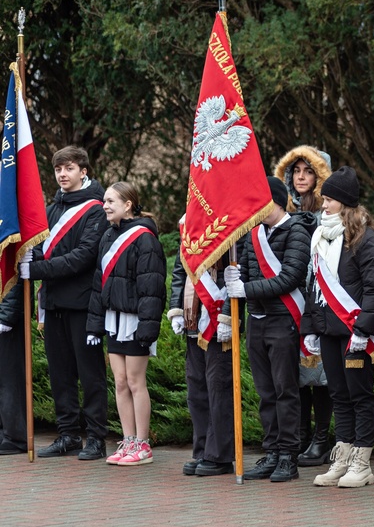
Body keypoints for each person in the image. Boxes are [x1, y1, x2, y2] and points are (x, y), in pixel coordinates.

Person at [19, 146, 110, 460]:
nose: (62, 174)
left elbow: (83, 257)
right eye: (58, 169)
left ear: (83, 171)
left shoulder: (96, 209)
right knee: (60, 374)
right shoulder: (51, 208)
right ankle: (68, 434)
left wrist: (38, 269)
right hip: (55, 302)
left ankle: (97, 438)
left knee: (90, 374)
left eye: (68, 168)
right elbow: (42, 249)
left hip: (83, 304)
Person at [302, 166, 374, 488]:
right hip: (328, 331)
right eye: (323, 200)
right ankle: (343, 455)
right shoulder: (321, 237)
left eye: (329, 200)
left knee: (359, 395)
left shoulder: (367, 240)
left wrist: (363, 330)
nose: (323, 206)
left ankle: (362, 462)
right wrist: (310, 328)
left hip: (355, 335)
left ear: (345, 202)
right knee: (339, 394)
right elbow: (315, 288)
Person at [222, 176, 313, 482]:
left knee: (285, 390)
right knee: (265, 392)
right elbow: (242, 274)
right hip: (257, 322)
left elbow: (289, 278)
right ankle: (272, 451)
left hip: (283, 320)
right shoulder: (252, 234)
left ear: (275, 201)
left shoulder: (297, 231)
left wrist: (245, 289)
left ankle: (289, 455)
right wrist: (228, 311)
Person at [86, 181, 167, 466]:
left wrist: (148, 327)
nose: (105, 206)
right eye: (105, 201)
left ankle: (143, 445)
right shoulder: (108, 235)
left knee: (135, 382)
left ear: (128, 204)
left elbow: (152, 287)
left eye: (110, 201)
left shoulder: (145, 238)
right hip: (112, 318)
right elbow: (100, 284)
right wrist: (94, 326)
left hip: (134, 321)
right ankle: (128, 440)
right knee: (119, 382)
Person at [274, 145, 334, 466]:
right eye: (296, 171)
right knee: (295, 376)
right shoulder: (279, 208)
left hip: (317, 301)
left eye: (308, 171)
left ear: (319, 176)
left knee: (319, 374)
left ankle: (321, 440)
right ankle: (299, 435)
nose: (301, 177)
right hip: (287, 303)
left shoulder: (327, 212)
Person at [167, 222, 237, 476]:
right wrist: (176, 308)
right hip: (193, 319)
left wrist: (228, 316)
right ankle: (202, 450)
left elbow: (237, 274)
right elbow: (180, 271)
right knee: (196, 390)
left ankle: (219, 455)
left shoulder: (231, 223)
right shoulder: (190, 223)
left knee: (218, 388)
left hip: (219, 323)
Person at [0, 281, 27, 455]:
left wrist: (6, 316)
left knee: (10, 380)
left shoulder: (8, 251)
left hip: (6, 320)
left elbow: (13, 277)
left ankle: (15, 437)